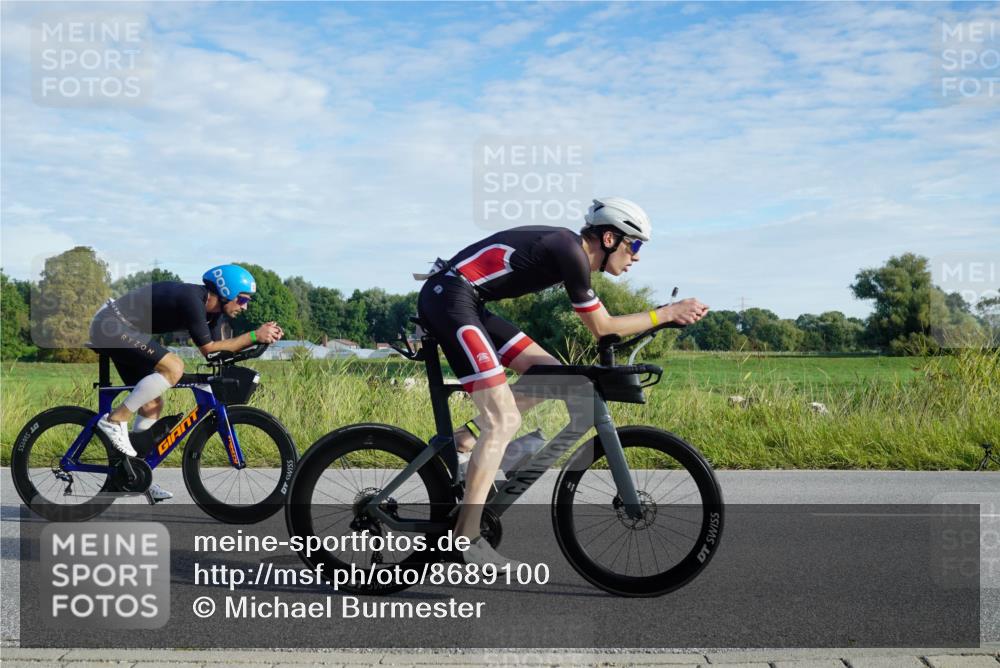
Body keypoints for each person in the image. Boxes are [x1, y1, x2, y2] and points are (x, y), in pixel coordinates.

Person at [416, 197, 710, 567]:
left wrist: (664, 320)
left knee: (553, 374)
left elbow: (604, 334)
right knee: (505, 420)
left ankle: (467, 439)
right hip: (450, 299)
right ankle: (466, 537)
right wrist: (666, 312)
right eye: (634, 245)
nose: (636, 257)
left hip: (468, 301)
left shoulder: (570, 252)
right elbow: (603, 326)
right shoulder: (569, 250)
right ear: (608, 238)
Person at [88, 264, 284, 500]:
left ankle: (135, 475)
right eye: (242, 299)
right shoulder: (192, 299)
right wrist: (253, 336)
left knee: (152, 405)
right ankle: (115, 420)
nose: (245, 306)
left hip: (123, 331)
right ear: (224, 292)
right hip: (111, 326)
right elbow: (210, 348)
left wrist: (257, 343)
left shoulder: (213, 313)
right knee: (174, 367)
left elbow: (214, 353)